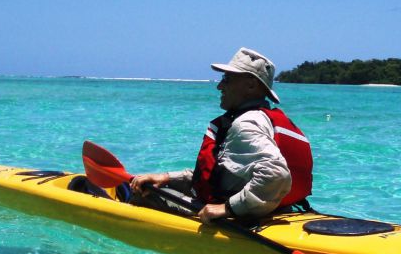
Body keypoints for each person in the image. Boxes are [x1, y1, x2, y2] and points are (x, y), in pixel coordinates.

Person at [129, 47, 313, 223]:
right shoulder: (263, 118)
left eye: (227, 79)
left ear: (250, 85)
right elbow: (223, 174)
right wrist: (168, 178)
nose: (219, 86)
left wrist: (227, 209)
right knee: (158, 185)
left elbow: (276, 175)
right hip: (283, 209)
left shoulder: (245, 124)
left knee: (141, 194)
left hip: (238, 217)